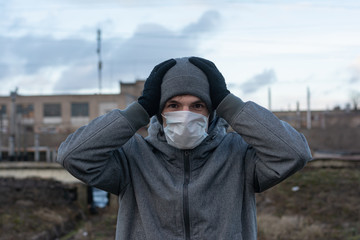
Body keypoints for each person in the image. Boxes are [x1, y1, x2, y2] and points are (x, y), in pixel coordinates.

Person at [57, 57, 312, 240]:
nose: (186, 114)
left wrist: (230, 104)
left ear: (212, 112)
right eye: (174, 105)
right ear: (160, 111)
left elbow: (294, 153)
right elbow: (73, 156)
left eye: (198, 105)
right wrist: (140, 110)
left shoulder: (239, 155)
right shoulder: (132, 158)